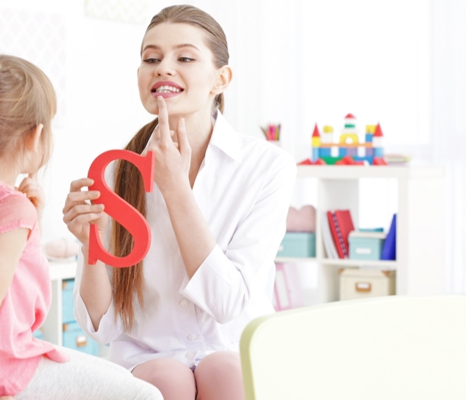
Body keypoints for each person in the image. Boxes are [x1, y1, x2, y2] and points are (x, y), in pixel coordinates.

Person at [62, 5, 296, 400]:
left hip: (232, 351)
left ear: (221, 79)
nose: (163, 68)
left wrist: (175, 191)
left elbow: (227, 304)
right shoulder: (117, 173)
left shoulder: (267, 167)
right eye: (151, 59)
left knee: (224, 370)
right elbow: (102, 326)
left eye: (184, 58)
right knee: (167, 380)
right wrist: (90, 247)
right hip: (149, 359)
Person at [0, 55, 163, 400]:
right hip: (3, 372)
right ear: (35, 136)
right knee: (144, 396)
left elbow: (0, 285)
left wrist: (33, 219)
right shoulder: (9, 209)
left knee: (115, 376)